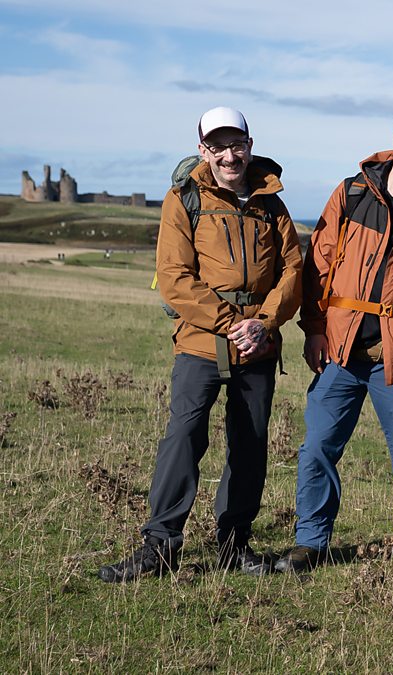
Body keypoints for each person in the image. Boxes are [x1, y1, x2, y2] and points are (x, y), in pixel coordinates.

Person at [99, 106, 303, 581]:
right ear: (203, 149)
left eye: (238, 144)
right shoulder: (183, 199)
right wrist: (233, 323)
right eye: (219, 146)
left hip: (258, 344)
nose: (230, 155)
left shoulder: (271, 203)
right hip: (200, 342)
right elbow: (174, 277)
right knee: (184, 436)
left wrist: (263, 324)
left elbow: (293, 271)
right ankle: (160, 546)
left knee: (250, 443)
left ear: (250, 146)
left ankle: (234, 546)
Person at [275, 102, 393, 571]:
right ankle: (310, 544)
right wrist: (314, 330)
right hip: (339, 350)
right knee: (317, 448)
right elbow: (318, 265)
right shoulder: (351, 192)